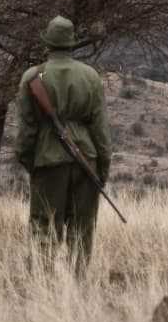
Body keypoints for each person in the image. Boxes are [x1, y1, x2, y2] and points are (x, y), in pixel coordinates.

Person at [17, 16, 112, 275]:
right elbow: (101, 130)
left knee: (44, 225)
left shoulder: (32, 76)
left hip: (47, 160)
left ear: (48, 43)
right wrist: (102, 168)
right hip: (87, 160)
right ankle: (77, 284)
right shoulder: (90, 76)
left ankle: (43, 285)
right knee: (82, 227)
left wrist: (29, 162)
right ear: (72, 44)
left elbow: (26, 130)